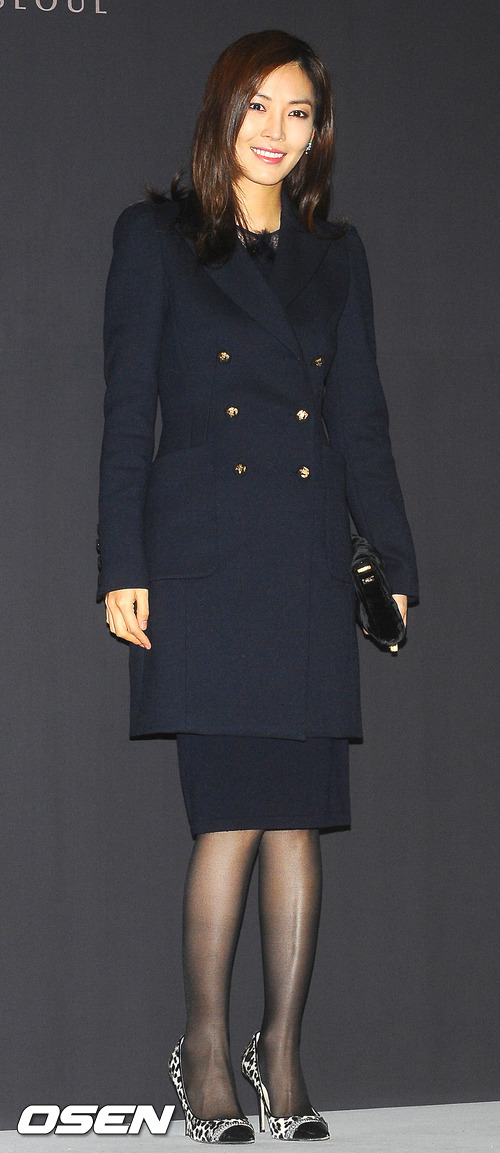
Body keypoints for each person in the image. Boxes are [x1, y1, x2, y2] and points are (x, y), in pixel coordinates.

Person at [97, 29, 418, 1144]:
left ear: (318, 131)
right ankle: (202, 1051)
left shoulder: (338, 255)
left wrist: (394, 560)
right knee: (232, 816)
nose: (276, 132)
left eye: (298, 112)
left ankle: (278, 1052)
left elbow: (361, 420)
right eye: (258, 107)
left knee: (297, 823)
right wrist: (121, 565)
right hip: (207, 566)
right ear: (221, 112)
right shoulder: (155, 237)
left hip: (303, 561)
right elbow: (125, 415)